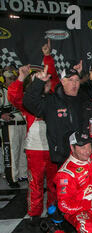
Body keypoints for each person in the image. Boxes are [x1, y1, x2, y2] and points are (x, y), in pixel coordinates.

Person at [7, 63, 58, 223]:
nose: (44, 83)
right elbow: (13, 97)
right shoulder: (27, 102)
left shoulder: (55, 100)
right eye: (39, 81)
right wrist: (21, 77)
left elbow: (57, 80)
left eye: (46, 81)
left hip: (53, 149)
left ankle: (53, 210)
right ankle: (34, 213)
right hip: (34, 151)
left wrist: (47, 58)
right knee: (35, 183)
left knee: (54, 183)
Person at [23, 63, 92, 167]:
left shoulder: (86, 100)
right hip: (63, 154)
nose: (74, 83)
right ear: (62, 81)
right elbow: (28, 102)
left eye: (76, 80)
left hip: (84, 153)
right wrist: (38, 82)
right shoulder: (51, 102)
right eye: (70, 80)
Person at [1, 68, 27, 188]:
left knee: (22, 151)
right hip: (9, 126)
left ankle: (22, 174)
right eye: (10, 78)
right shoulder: (2, 92)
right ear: (4, 79)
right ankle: (12, 177)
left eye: (14, 78)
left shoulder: (20, 90)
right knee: (11, 152)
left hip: (22, 124)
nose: (12, 80)